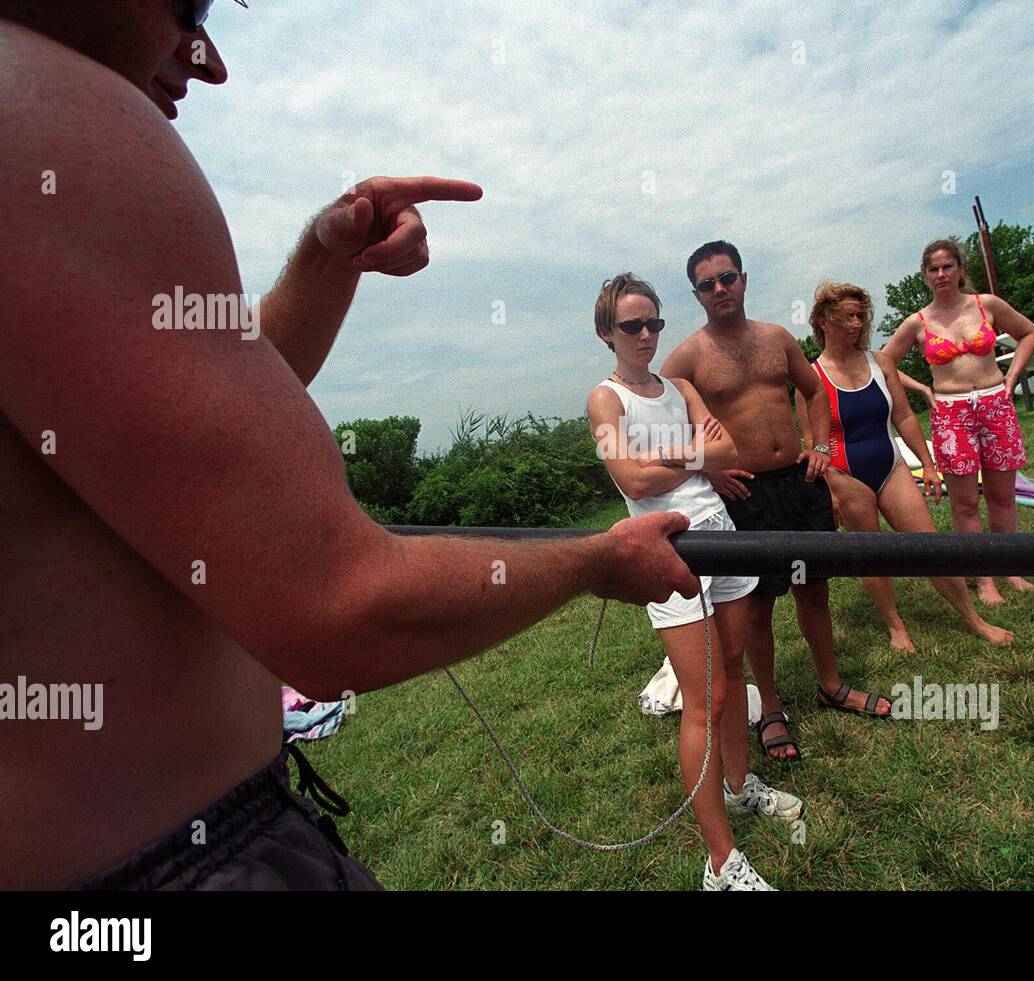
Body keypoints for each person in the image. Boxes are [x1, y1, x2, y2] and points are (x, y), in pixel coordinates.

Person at [0, 0, 696, 890]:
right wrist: (595, 564)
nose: (209, 61)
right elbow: (336, 604)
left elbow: (188, 431)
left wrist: (328, 264)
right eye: (188, 6)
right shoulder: (46, 114)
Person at [587, 273, 806, 891]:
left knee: (733, 671)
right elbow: (631, 480)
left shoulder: (680, 385)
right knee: (703, 698)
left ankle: (738, 787)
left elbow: (729, 447)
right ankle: (720, 862)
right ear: (608, 333)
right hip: (672, 553)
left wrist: (692, 456)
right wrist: (697, 453)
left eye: (654, 322)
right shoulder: (606, 401)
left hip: (722, 530)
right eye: (632, 325)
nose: (647, 334)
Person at [662, 241, 894, 764]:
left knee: (815, 591)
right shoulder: (689, 356)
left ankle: (830, 684)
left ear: (743, 279)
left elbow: (813, 392)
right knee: (757, 608)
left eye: (727, 278)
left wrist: (820, 447)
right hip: (747, 494)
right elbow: (663, 418)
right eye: (706, 284)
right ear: (696, 294)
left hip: (800, 479)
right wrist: (706, 468)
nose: (719, 289)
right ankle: (769, 709)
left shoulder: (777, 338)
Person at [794, 281, 1014, 650]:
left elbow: (904, 416)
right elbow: (810, 439)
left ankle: (974, 619)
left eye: (860, 315)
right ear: (824, 322)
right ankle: (895, 625)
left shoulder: (879, 362)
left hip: (890, 466)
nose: (857, 322)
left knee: (928, 546)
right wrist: (830, 487)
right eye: (847, 316)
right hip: (844, 473)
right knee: (871, 555)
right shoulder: (811, 376)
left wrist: (928, 465)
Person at [881, 239, 1034, 606]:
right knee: (965, 503)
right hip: (951, 412)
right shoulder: (918, 322)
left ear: (960, 269)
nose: (940, 274)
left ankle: (1010, 569)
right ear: (925, 275)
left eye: (947, 267)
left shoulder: (987, 305)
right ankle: (983, 579)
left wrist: (1011, 379)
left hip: (994, 403)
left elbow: (1028, 332)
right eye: (933, 269)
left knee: (1002, 495)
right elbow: (885, 360)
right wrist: (923, 389)